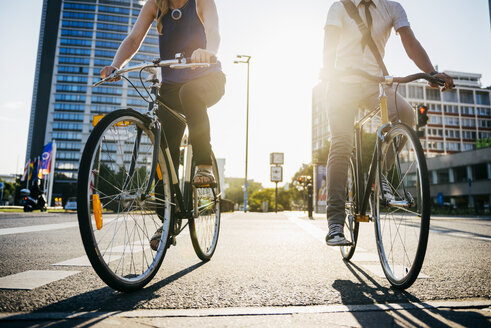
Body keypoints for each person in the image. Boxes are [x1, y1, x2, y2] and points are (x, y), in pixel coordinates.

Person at [321, 0, 454, 246]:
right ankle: (336, 224)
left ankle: (380, 173)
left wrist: (430, 72)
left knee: (407, 116)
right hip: (342, 85)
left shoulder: (392, 8)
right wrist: (328, 70)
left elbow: (410, 42)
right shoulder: (339, 7)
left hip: (376, 84)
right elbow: (329, 46)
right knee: (341, 144)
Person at [100, 0, 225, 251]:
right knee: (165, 155)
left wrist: (207, 51)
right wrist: (116, 65)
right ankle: (167, 222)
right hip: (170, 89)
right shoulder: (154, 5)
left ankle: (203, 165)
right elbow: (134, 39)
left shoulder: (202, 1)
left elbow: (213, 31)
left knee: (190, 94)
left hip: (206, 78)